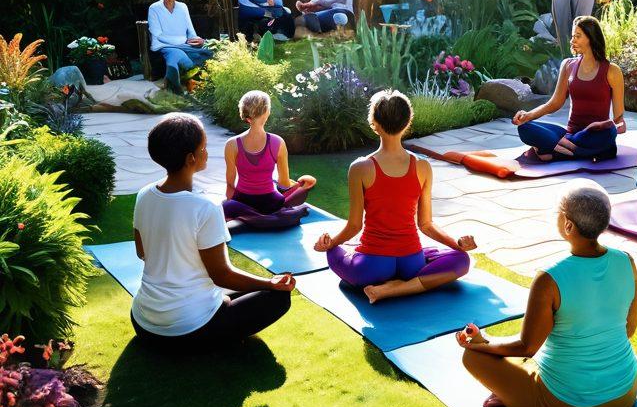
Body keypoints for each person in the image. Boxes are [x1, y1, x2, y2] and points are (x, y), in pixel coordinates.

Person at [457, 181, 637, 407]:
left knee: (473, 356)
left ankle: (513, 395)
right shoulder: (626, 261)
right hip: (624, 394)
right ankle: (514, 389)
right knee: (533, 354)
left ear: (568, 225)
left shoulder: (550, 278)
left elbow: (527, 347)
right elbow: (628, 329)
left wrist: (481, 343)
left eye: (559, 212)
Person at [131, 113, 294, 347]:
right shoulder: (205, 206)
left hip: (143, 322)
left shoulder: (144, 194)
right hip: (188, 330)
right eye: (204, 147)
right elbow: (221, 275)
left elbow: (141, 252)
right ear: (191, 158)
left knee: (238, 290)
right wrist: (270, 283)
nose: (207, 152)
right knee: (278, 297)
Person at [314, 90, 475, 303]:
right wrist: (457, 244)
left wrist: (330, 243)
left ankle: (386, 290)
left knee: (334, 252)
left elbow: (354, 226)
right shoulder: (422, 167)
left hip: (370, 268)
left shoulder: (360, 168)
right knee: (461, 260)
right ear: (407, 122)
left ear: (374, 123)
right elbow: (426, 224)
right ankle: (405, 286)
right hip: (412, 264)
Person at [513, 15, 625, 161]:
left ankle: (557, 150)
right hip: (569, 135)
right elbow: (555, 103)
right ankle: (576, 151)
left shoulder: (612, 71)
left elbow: (619, 120)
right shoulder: (568, 65)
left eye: (578, 36)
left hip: (596, 134)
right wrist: (528, 115)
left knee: (609, 133)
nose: (572, 41)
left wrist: (612, 126)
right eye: (572, 36)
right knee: (525, 128)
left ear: (591, 38)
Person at [222, 91, 316, 231]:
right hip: (270, 204)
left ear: (245, 114)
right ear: (266, 112)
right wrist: (298, 186)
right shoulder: (278, 142)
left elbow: (230, 186)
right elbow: (284, 184)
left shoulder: (231, 144)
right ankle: (264, 219)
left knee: (227, 206)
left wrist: (230, 209)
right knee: (307, 184)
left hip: (242, 201)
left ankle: (245, 219)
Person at [147, 0, 212, 94]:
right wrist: (180, 42)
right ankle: (175, 89)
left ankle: (203, 83)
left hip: (184, 44)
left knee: (209, 51)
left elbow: (190, 31)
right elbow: (158, 34)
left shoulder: (183, 7)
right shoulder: (154, 8)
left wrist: (197, 40)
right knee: (174, 57)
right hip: (164, 45)